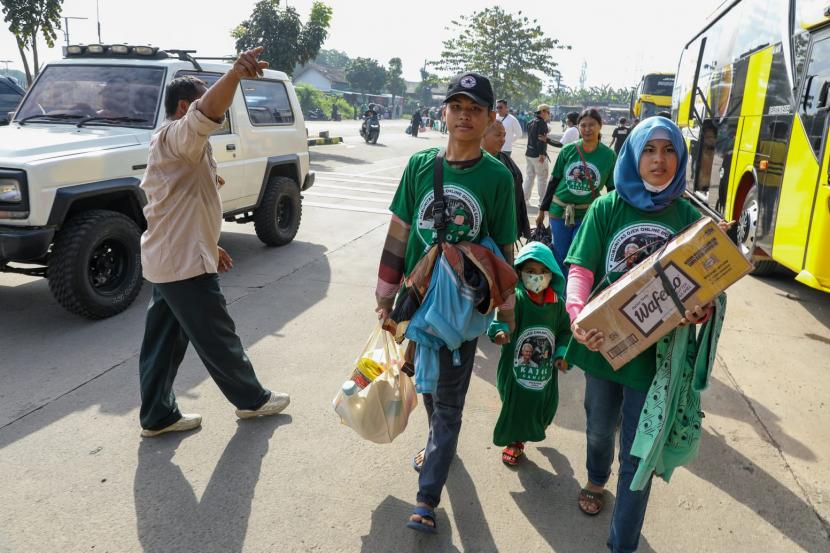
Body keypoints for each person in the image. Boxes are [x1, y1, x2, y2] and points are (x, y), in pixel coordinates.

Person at [564, 116, 728, 553]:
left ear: (681, 157)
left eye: (669, 150)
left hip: (656, 363)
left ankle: (623, 545)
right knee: (600, 429)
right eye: (650, 150)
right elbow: (581, 267)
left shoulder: (691, 218)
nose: (659, 160)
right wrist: (578, 315)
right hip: (603, 349)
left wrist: (700, 311)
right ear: (634, 154)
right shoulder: (607, 207)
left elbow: (704, 288)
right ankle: (596, 478)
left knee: (639, 456)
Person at [375, 72, 517, 534]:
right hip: (417, 304)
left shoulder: (497, 177)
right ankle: (438, 446)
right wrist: (385, 293)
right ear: (444, 112)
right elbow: (399, 231)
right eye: (456, 105)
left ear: (489, 117)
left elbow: (504, 251)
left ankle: (426, 498)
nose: (464, 115)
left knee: (450, 402)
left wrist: (507, 311)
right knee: (431, 392)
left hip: (461, 311)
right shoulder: (419, 165)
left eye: (474, 108)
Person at [137, 47, 290, 438]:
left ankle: (157, 415)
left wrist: (213, 244)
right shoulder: (176, 136)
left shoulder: (187, 147)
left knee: (163, 343)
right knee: (218, 336)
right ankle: (252, 400)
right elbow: (205, 113)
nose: (217, 114)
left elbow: (188, 207)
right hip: (182, 265)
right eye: (202, 100)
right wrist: (235, 75)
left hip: (172, 257)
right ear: (185, 106)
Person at [489, 242, 571, 466]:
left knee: (543, 408)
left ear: (552, 274)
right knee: (515, 405)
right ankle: (516, 442)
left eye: (543, 272)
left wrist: (562, 354)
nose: (537, 277)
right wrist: (500, 333)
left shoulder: (557, 305)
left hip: (544, 374)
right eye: (531, 272)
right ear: (519, 273)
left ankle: (534, 427)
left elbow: (565, 332)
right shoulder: (515, 300)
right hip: (514, 373)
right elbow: (499, 322)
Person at [537, 108, 617, 275]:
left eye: (592, 125)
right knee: (559, 255)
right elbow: (554, 181)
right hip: (559, 211)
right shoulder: (568, 150)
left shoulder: (608, 156)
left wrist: (613, 217)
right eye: (583, 125)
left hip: (588, 214)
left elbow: (612, 189)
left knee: (578, 257)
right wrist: (542, 211)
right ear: (578, 127)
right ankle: (561, 297)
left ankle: (573, 296)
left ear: (600, 126)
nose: (587, 129)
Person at [481, 119, 532, 240]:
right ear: (482, 134)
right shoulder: (473, 161)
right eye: (498, 135)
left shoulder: (506, 161)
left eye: (504, 135)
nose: (503, 139)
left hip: (504, 226)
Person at [523, 104, 552, 202]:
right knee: (542, 178)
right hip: (537, 154)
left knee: (529, 177)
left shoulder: (531, 121)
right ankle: (542, 201)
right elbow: (541, 140)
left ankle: (524, 199)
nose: (549, 114)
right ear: (543, 112)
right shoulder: (542, 123)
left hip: (529, 152)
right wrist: (542, 154)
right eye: (548, 112)